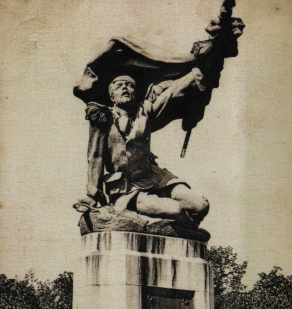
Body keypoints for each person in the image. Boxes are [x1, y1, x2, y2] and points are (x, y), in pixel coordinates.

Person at [76, 69, 210, 228]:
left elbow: (171, 93)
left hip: (154, 177)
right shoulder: (102, 117)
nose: (125, 88)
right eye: (119, 86)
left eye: (129, 85)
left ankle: (185, 229)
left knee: (200, 206)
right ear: (112, 96)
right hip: (127, 188)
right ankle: (181, 227)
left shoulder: (145, 111)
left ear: (135, 93)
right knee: (175, 210)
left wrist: (196, 73)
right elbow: (96, 156)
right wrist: (92, 193)